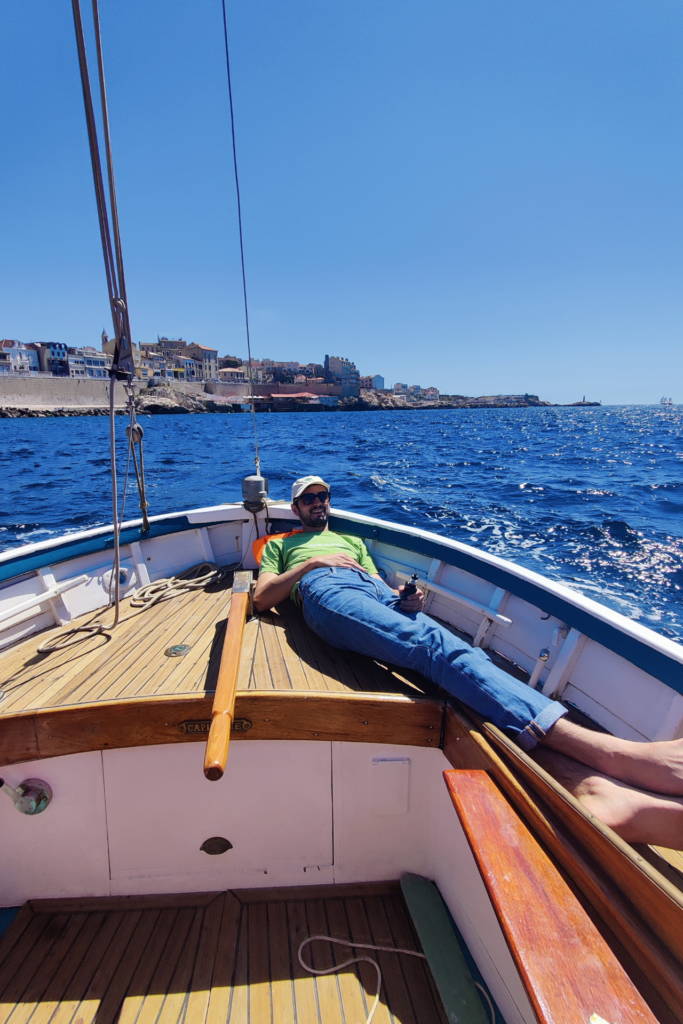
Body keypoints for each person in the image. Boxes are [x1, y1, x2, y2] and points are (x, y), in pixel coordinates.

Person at [254, 476, 683, 847]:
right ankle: (616, 755)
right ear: (295, 508)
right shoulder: (282, 544)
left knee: (454, 676)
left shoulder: (354, 541)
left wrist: (406, 601)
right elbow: (261, 598)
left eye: (323, 496)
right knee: (439, 648)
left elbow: (383, 594)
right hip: (324, 591)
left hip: (367, 596)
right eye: (308, 499)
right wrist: (313, 562)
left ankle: (588, 787)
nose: (318, 503)